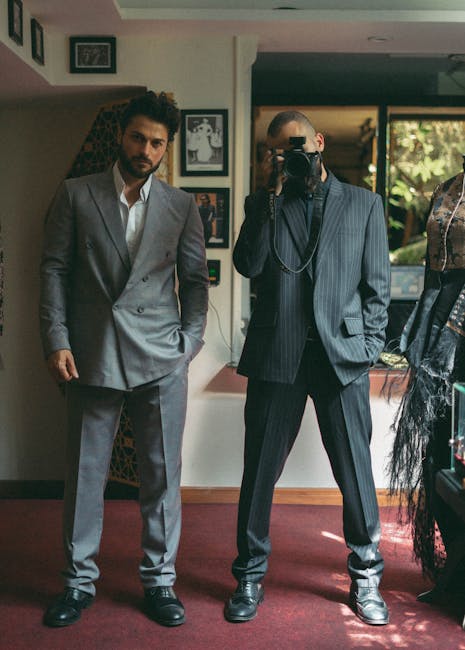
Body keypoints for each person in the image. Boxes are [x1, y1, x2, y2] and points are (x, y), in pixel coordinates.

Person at [40, 91, 209, 628]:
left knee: (162, 476)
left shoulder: (181, 206)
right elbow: (54, 269)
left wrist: (189, 344)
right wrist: (57, 338)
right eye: (138, 138)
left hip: (161, 358)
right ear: (121, 135)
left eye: (157, 143)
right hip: (92, 354)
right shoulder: (76, 193)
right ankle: (76, 582)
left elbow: (195, 281)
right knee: (85, 474)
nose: (146, 150)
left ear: (166, 147)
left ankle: (160, 581)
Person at [224, 110, 391, 626]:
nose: (291, 155)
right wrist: (267, 198)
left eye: (297, 144)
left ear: (318, 141)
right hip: (278, 354)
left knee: (355, 471)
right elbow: (248, 265)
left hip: (342, 357)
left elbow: (377, 289)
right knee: (259, 472)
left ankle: (366, 576)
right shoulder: (265, 202)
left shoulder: (364, 204)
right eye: (279, 150)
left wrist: (367, 346)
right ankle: (249, 576)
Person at [389, 169, 465, 602]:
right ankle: (453, 569)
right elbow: (431, 271)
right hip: (438, 324)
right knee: (438, 453)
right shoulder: (447, 187)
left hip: (461, 328)